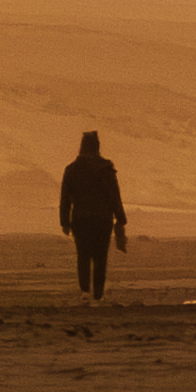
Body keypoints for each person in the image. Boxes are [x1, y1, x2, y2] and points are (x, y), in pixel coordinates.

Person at [58, 128, 128, 300]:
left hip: (80, 219)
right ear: (97, 147)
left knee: (83, 255)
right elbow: (114, 196)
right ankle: (98, 295)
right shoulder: (106, 169)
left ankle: (85, 292)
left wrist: (64, 222)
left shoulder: (71, 170)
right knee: (100, 257)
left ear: (82, 147)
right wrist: (120, 218)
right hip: (102, 220)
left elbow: (65, 198)